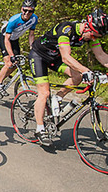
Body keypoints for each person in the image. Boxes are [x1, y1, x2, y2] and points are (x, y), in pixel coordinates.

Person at [29, 8, 108, 145]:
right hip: (39, 56)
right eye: (94, 35)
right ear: (87, 26)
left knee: (76, 77)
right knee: (44, 92)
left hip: (54, 58)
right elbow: (66, 57)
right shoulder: (67, 29)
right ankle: (40, 129)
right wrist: (86, 71)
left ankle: (58, 97)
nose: (94, 39)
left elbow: (101, 55)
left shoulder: (90, 35)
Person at [0, 0, 38, 94]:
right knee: (9, 63)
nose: (27, 13)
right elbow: (6, 39)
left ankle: (1, 75)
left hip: (14, 40)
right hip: (4, 38)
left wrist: (32, 48)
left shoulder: (34, 19)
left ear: (33, 11)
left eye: (30, 11)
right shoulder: (14, 20)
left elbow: (31, 35)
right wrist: (11, 55)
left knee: (16, 64)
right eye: (25, 10)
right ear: (21, 9)